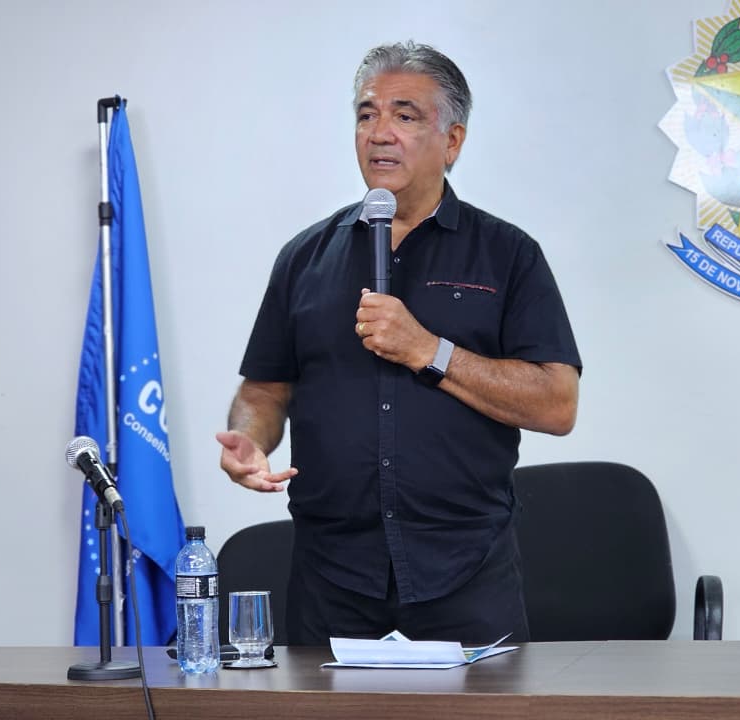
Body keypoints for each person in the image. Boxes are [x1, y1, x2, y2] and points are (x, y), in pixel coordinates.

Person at [216, 41, 581, 645]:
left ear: (452, 141)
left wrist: (429, 351)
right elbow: (265, 389)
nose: (379, 133)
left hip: (465, 572)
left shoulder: (508, 254)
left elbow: (557, 403)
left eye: (405, 115)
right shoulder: (305, 257)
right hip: (331, 574)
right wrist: (250, 440)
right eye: (366, 115)